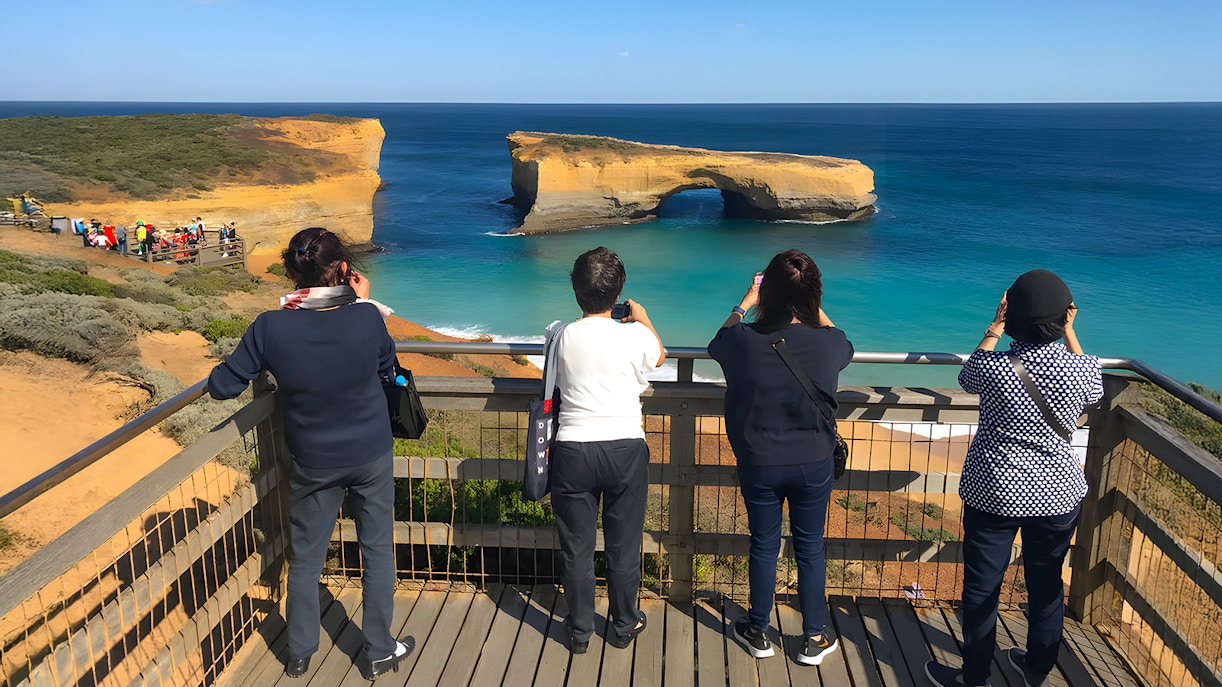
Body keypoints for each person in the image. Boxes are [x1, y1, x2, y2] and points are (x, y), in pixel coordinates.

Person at [206, 227, 413, 680]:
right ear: (342, 269)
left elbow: (222, 387)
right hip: (370, 452)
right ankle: (379, 650)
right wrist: (361, 302)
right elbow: (385, 367)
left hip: (312, 459)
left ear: (290, 272)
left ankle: (299, 651)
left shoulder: (270, 326)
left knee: (305, 556)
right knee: (377, 551)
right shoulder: (364, 318)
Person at [924, 269, 1103, 687]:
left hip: (994, 491)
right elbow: (1093, 390)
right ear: (1064, 317)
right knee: (1047, 584)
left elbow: (965, 377)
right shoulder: (1082, 370)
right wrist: (1069, 333)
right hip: (1058, 494)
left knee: (983, 588)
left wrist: (993, 327)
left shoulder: (994, 366)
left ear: (1013, 318)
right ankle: (1037, 668)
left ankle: (975, 677)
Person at [708, 249, 852, 667]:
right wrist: (811, 304)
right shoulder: (829, 344)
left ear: (766, 289)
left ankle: (758, 630)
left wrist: (746, 302)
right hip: (813, 463)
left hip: (760, 462)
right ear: (813, 295)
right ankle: (814, 637)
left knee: (764, 545)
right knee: (810, 548)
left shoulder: (742, 341)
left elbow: (718, 340)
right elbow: (842, 340)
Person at [550, 246, 665, 655]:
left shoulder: (559, 334)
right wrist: (643, 318)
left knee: (576, 548)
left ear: (576, 290)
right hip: (624, 449)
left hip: (572, 450)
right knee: (622, 544)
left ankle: (579, 631)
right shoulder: (633, 335)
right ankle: (623, 624)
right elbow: (659, 356)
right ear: (619, 294)